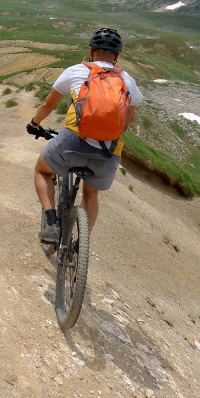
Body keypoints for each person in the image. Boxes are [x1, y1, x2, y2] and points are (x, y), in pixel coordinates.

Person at [27, 27, 143, 241]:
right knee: (91, 194)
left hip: (73, 142)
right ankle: (81, 246)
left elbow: (48, 104)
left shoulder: (76, 70)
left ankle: (51, 223)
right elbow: (129, 120)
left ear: (91, 51)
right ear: (117, 56)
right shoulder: (127, 80)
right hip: (108, 152)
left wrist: (35, 123)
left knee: (42, 170)